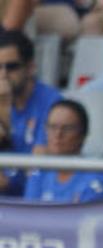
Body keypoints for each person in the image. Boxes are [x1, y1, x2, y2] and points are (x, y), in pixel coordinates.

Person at [0, 29, 62, 196]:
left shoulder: (51, 102)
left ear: (30, 67)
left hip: (31, 200)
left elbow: (37, 167)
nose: (3, 75)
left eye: (11, 67)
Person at [24, 99, 103, 202]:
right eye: (52, 127)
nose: (58, 134)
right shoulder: (39, 173)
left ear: (83, 134)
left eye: (67, 128)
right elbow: (29, 214)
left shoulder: (97, 181)